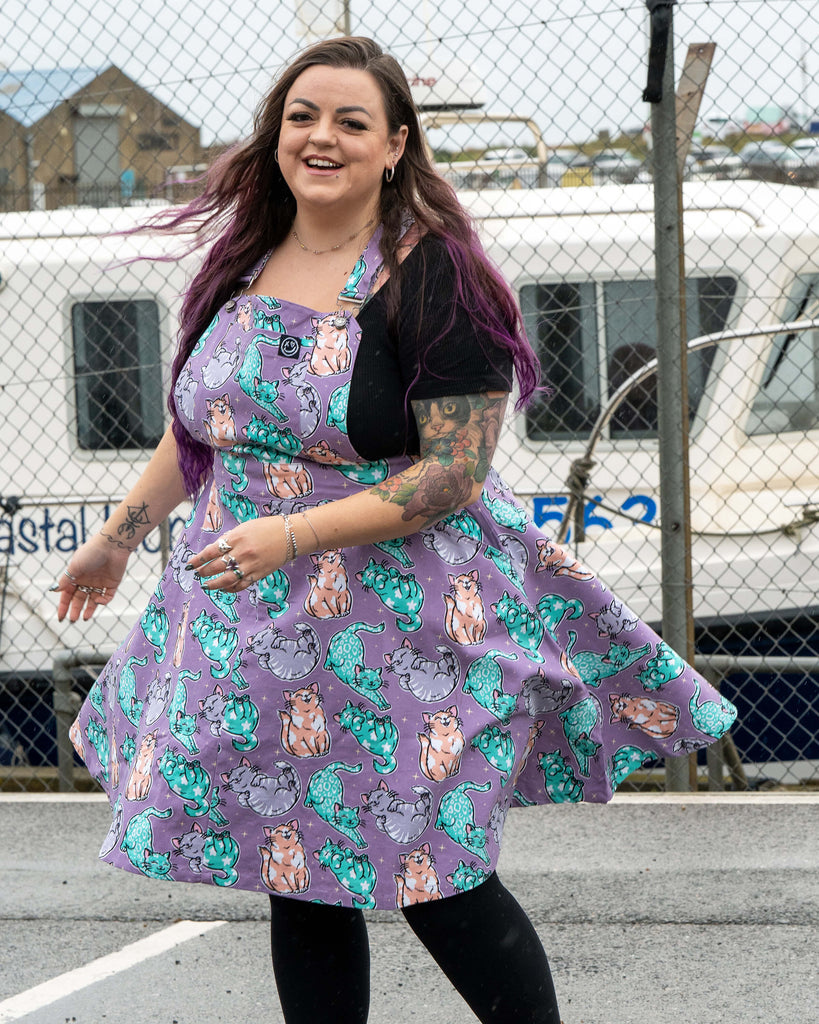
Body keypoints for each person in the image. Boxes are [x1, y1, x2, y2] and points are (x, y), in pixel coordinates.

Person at [55, 37, 736, 1024]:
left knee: (436, 871)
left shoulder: (434, 276)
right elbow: (203, 425)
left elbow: (453, 473)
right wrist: (119, 535)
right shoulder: (246, 257)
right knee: (296, 864)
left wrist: (293, 537)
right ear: (275, 134)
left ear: (395, 146)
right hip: (256, 630)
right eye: (302, 116)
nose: (320, 137)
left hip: (404, 629)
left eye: (350, 121)